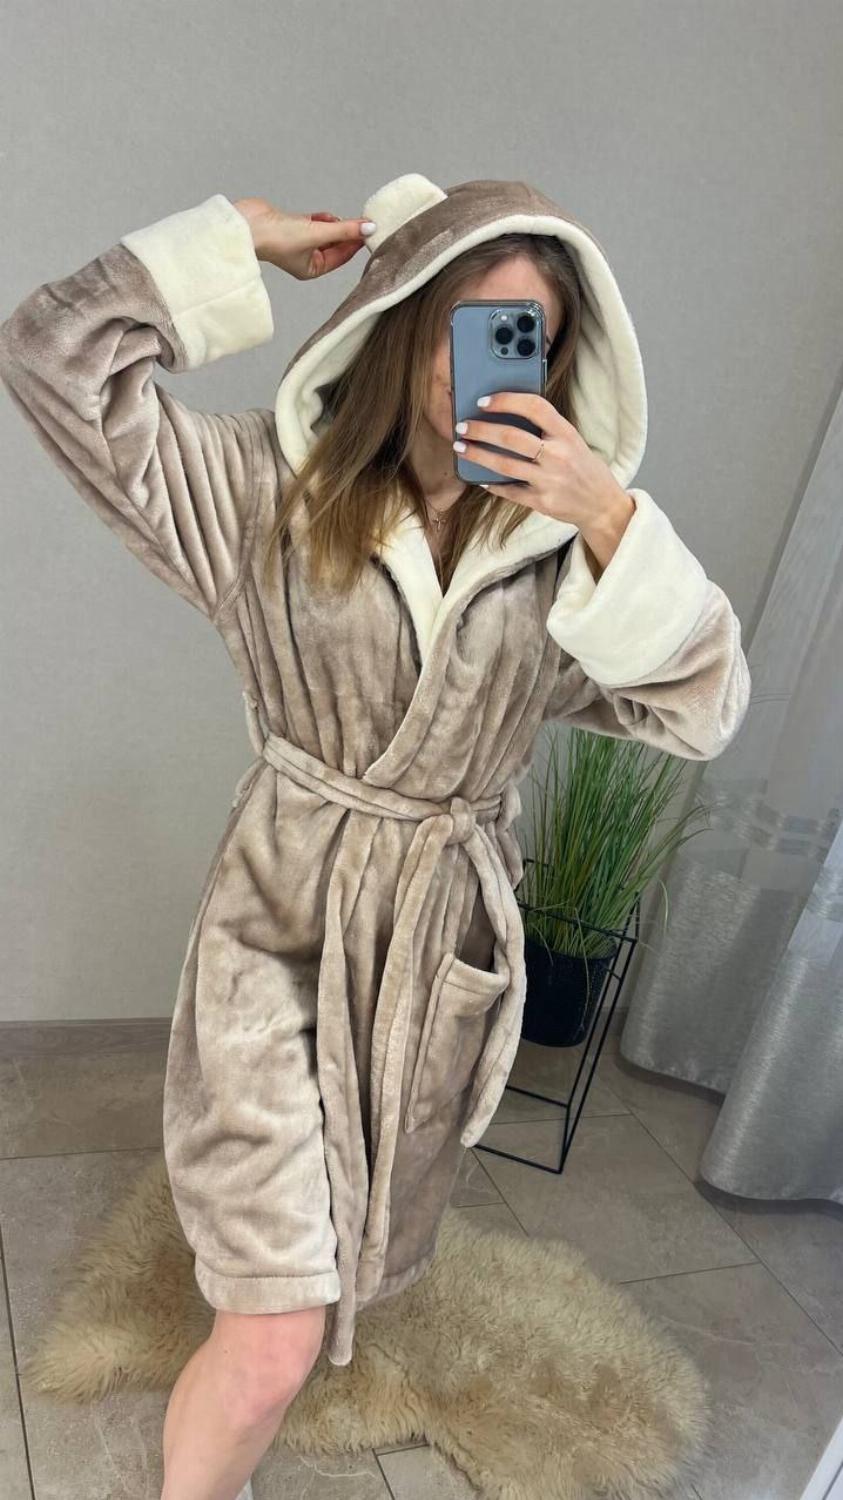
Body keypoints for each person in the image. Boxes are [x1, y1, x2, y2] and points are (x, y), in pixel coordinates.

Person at [0, 172, 751, 1500]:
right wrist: (234, 242)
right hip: (281, 933)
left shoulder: (556, 557)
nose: (487, 370)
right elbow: (51, 358)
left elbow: (703, 708)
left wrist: (610, 520)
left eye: (526, 341)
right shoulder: (268, 492)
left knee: (331, 1270)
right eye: (468, 326)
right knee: (275, 1334)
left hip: (433, 952)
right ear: (403, 322)